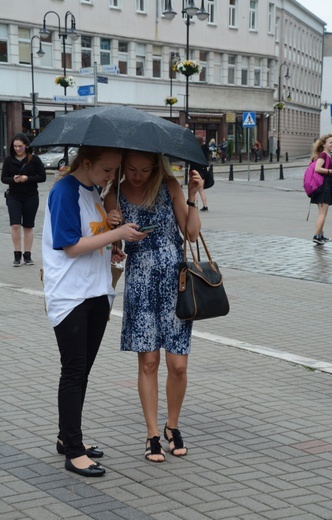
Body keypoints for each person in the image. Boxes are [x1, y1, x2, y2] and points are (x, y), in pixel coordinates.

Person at [42, 146, 145, 477]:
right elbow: (70, 246)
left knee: (81, 371)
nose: (111, 177)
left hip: (96, 291)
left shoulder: (92, 191)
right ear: (86, 163)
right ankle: (73, 451)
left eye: (115, 170)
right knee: (73, 372)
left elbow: (91, 236)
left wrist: (109, 229)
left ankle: (67, 437)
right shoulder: (64, 191)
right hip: (71, 295)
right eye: (106, 170)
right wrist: (117, 232)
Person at [104, 150, 203, 463]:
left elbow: (191, 232)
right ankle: (151, 434)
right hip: (140, 284)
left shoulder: (170, 186)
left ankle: (172, 425)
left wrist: (192, 197)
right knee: (148, 362)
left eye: (144, 169)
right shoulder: (114, 193)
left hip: (176, 283)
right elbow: (113, 245)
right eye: (131, 168)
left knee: (178, 364)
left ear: (155, 167)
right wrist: (112, 226)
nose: (137, 175)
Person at [1, 132, 46, 266]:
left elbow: (42, 177)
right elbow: (3, 178)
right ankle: (17, 255)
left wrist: (28, 178)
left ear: (26, 145)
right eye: (15, 146)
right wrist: (13, 180)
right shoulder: (9, 160)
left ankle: (27, 255)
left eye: (20, 146)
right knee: (15, 225)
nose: (17, 149)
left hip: (31, 196)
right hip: (14, 196)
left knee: (28, 226)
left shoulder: (34, 159)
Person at [310, 134, 332, 244]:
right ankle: (316, 236)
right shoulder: (323, 155)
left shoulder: (327, 155)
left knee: (323, 213)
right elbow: (317, 168)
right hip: (323, 187)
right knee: (322, 214)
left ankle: (320, 235)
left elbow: (326, 171)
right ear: (324, 144)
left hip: (326, 185)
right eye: (330, 142)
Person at [190, 135, 209, 212]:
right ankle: (205, 205)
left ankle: (195, 205)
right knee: (201, 190)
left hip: (195, 170)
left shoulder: (194, 149)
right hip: (203, 170)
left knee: (195, 189)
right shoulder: (205, 149)